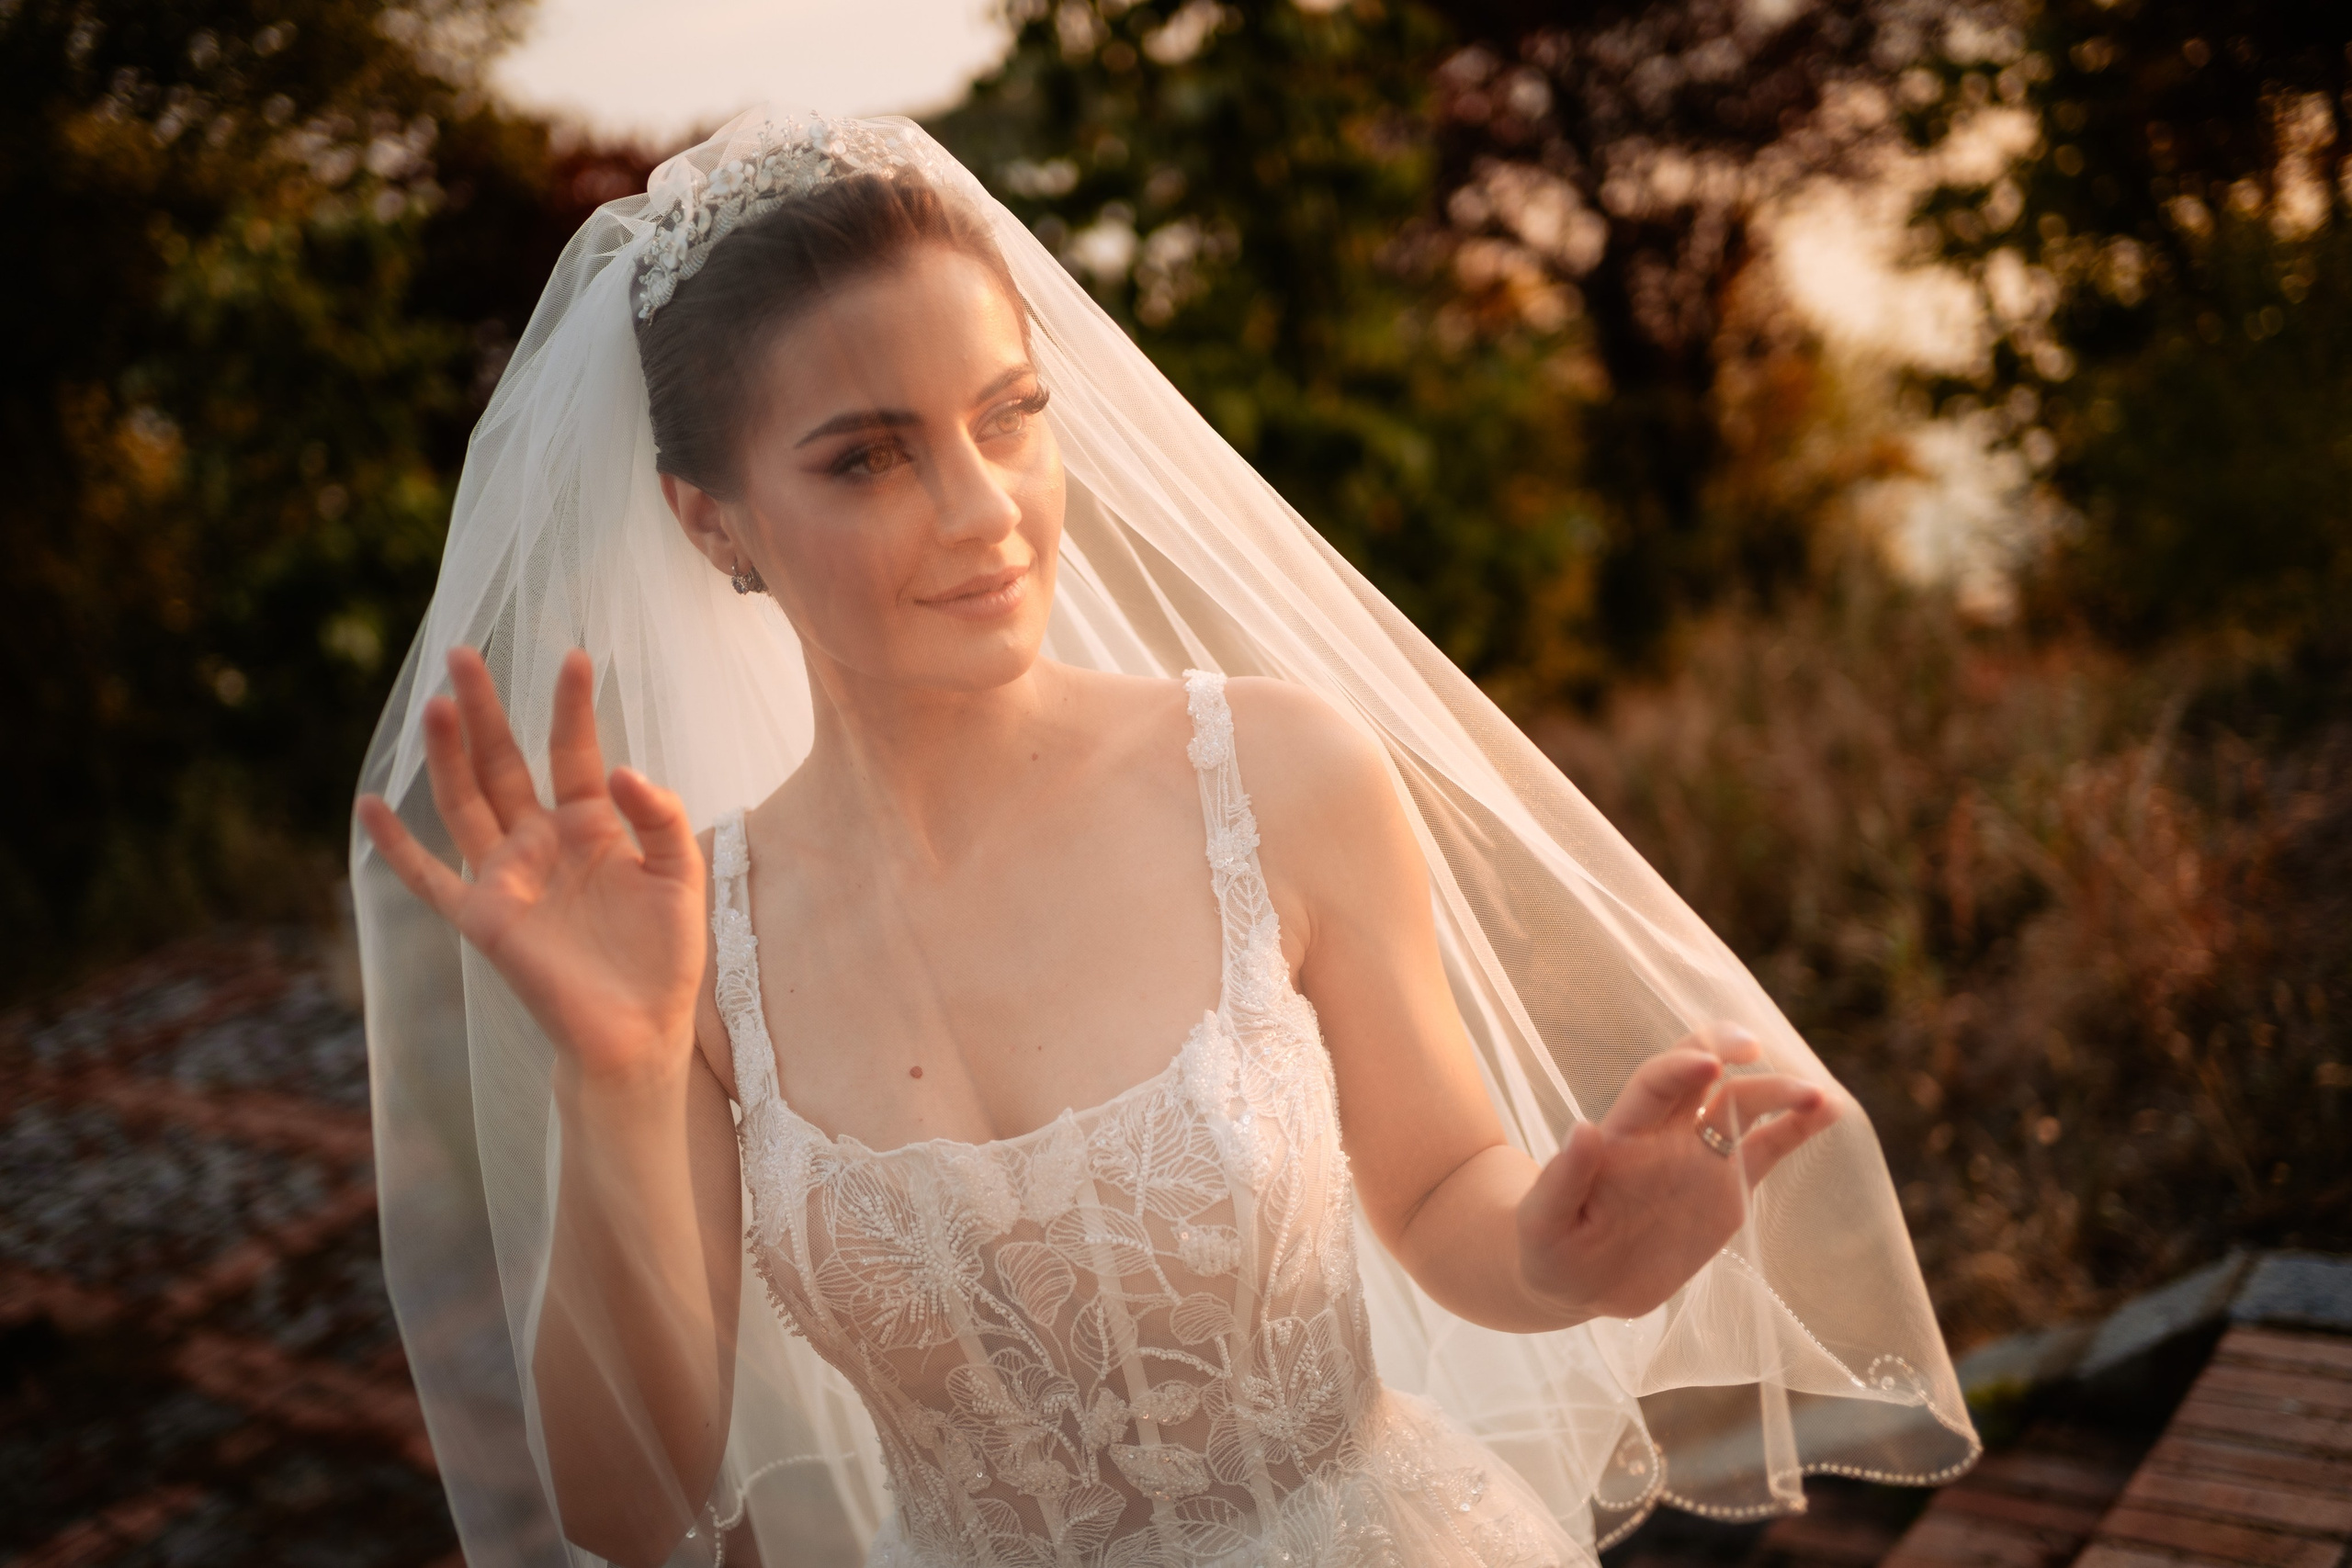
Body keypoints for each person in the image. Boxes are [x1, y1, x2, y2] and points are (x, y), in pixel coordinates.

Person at [352, 111, 1977, 1568]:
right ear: (713, 521)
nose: (985, 507)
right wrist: (621, 1074)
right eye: (869, 455)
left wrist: (1565, 1255)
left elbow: (1440, 1197)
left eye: (1009, 416)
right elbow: (628, 1515)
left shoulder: (1274, 773)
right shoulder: (695, 944)